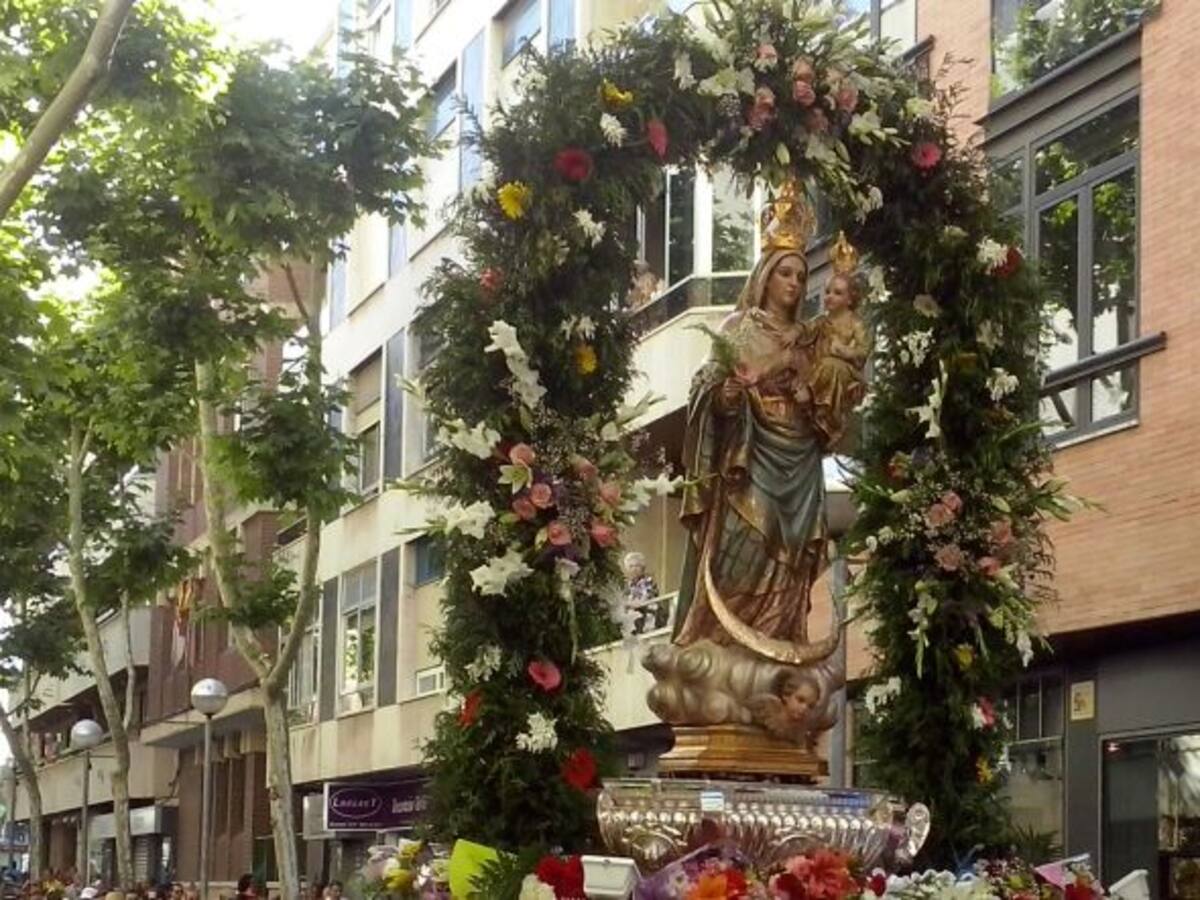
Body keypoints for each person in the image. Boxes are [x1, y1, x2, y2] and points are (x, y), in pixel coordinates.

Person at [673, 184, 837, 664]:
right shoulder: (738, 329)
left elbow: (832, 412)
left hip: (800, 460)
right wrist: (725, 397)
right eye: (785, 272)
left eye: (802, 276)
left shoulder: (811, 340)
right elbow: (704, 392)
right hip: (752, 454)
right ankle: (726, 647)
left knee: (790, 561)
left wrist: (812, 400)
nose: (795, 284)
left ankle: (778, 642)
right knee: (744, 544)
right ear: (765, 276)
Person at [808, 233, 869, 450]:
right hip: (823, 367)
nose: (829, 297)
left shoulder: (855, 323)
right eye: (827, 292)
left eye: (837, 293)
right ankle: (817, 413)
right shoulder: (819, 322)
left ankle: (830, 420)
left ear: (850, 298)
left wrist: (843, 350)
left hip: (847, 371)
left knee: (830, 366)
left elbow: (862, 352)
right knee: (822, 366)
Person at [622, 551, 664, 631]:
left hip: (648, 612)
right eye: (631, 566)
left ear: (642, 567)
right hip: (634, 613)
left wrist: (634, 604)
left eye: (637, 566)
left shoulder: (648, 580)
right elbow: (625, 599)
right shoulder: (628, 584)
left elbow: (647, 596)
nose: (634, 569)